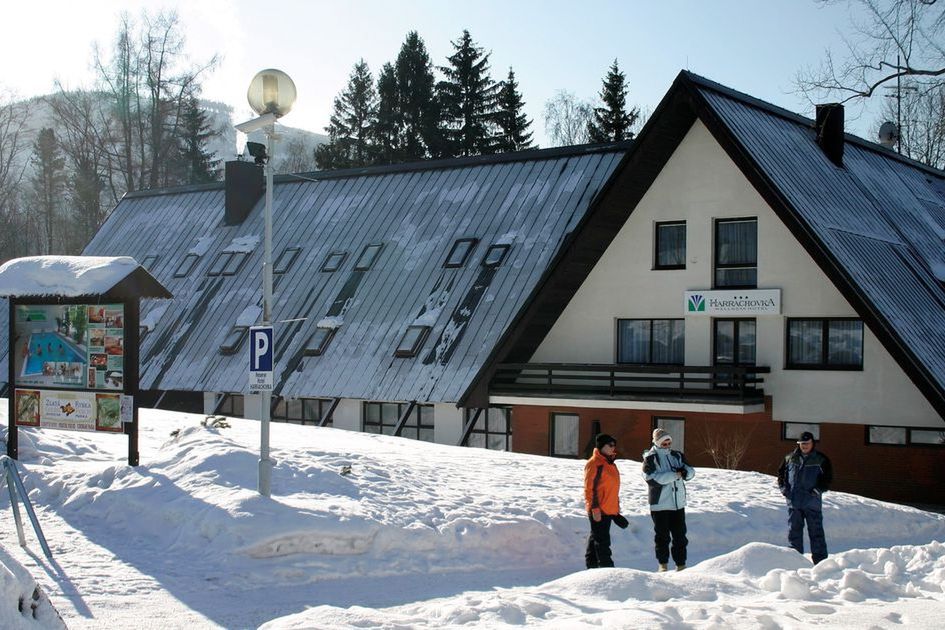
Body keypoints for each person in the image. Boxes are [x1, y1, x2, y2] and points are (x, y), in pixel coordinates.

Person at [642, 428, 695, 572]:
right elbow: (651, 478)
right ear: (657, 443)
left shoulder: (676, 455)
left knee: (680, 537)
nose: (667, 446)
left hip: (677, 504)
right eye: (664, 443)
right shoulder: (650, 458)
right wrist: (675, 474)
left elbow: (691, 472)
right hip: (660, 505)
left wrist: (685, 473)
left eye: (669, 443)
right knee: (662, 537)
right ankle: (663, 564)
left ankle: (681, 564)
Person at [777, 431, 833, 564]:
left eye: (807, 444)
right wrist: (784, 490)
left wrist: (817, 490)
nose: (804, 446)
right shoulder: (790, 458)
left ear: (812, 443)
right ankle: (795, 561)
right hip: (794, 503)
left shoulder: (821, 459)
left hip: (812, 503)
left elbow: (827, 479)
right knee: (794, 534)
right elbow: (781, 475)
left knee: (816, 534)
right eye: (802, 444)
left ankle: (820, 563)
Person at [584, 433, 621, 569]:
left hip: (608, 509)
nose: (613, 448)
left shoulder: (610, 463)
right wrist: (595, 509)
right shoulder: (594, 464)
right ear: (601, 446)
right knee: (603, 542)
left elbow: (612, 489)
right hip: (598, 510)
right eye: (610, 445)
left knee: (596, 539)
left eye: (614, 445)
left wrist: (616, 510)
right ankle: (607, 570)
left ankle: (592, 569)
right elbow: (590, 489)